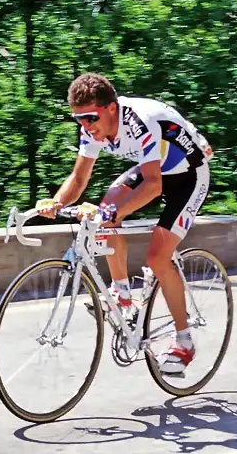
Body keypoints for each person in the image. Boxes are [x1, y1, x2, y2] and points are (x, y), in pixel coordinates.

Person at [36, 73, 213, 374]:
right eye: (78, 119)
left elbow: (154, 185)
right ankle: (123, 297)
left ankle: (184, 342)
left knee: (157, 256)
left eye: (90, 118)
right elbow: (79, 179)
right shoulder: (91, 130)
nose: (85, 126)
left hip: (189, 175)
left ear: (111, 109)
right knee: (105, 210)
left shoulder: (141, 122)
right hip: (156, 168)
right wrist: (56, 202)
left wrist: (111, 213)